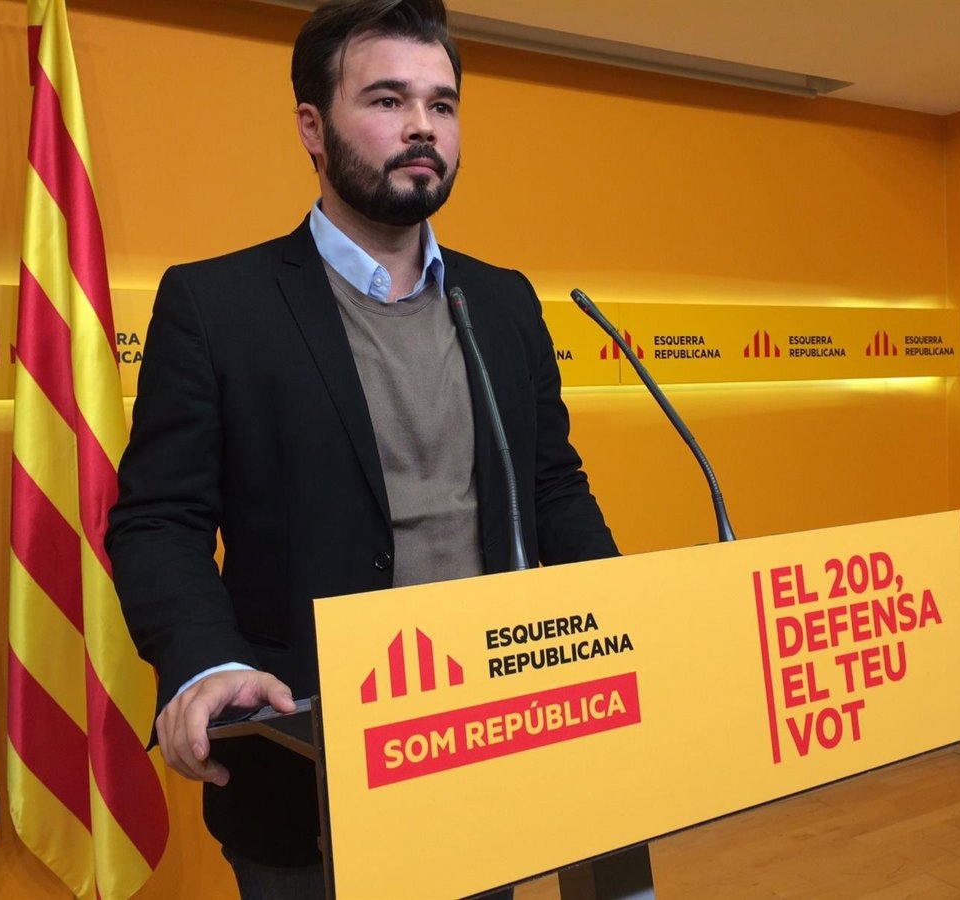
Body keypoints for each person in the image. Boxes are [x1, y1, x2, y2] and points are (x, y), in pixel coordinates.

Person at [105, 0, 617, 895]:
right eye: (388, 100)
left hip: (493, 747)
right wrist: (207, 662)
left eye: (442, 104)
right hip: (309, 772)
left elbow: (551, 487)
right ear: (312, 126)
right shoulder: (216, 306)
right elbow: (159, 522)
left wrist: (626, 617)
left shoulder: (503, 302)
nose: (423, 126)